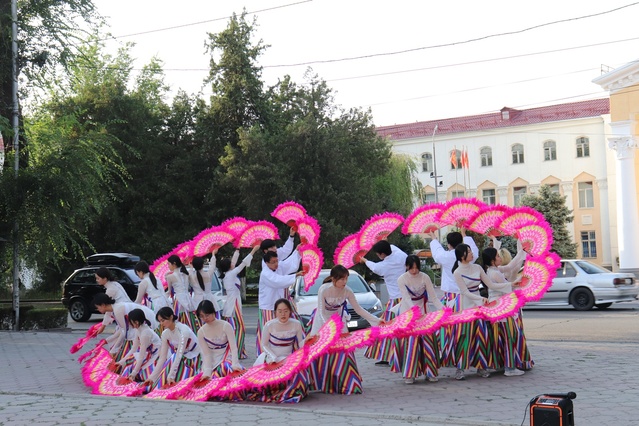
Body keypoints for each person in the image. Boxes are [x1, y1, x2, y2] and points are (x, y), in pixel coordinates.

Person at [307, 265, 383, 394]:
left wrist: (376, 320)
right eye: (341, 279)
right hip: (323, 321)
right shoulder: (323, 289)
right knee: (320, 351)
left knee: (343, 349)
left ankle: (345, 380)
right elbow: (320, 311)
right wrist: (329, 329)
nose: (344, 282)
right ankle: (320, 381)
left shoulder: (347, 290)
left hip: (339, 320)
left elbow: (359, 309)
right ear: (333, 278)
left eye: (346, 278)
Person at [448, 243, 511, 380]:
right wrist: (480, 298)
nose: (471, 253)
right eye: (469, 251)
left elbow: (491, 285)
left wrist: (511, 284)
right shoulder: (457, 272)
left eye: (471, 251)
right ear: (462, 256)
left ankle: (481, 366)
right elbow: (464, 292)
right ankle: (460, 368)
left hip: (480, 305)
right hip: (466, 306)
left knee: (482, 336)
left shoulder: (477, 268)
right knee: (464, 337)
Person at [427, 229, 479, 371]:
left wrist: (433, 237)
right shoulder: (470, 256)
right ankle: (472, 358)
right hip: (469, 297)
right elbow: (474, 249)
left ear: (449, 244)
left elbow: (437, 253)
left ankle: (449, 355)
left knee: (450, 329)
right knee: (469, 330)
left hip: (451, 297)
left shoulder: (446, 256)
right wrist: (464, 233)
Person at [482, 242, 534, 376]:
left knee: (500, 336)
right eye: (498, 256)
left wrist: (522, 252)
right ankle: (510, 368)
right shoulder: (495, 274)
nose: (500, 258)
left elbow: (511, 266)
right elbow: (508, 288)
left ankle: (501, 364)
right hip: (502, 309)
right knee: (509, 336)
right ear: (493, 260)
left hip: (497, 308)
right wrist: (521, 280)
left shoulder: (492, 270)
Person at [391, 255, 444, 384]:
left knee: (428, 342)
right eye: (411, 268)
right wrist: (415, 312)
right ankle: (410, 373)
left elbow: (434, 297)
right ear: (407, 267)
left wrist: (444, 310)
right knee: (411, 343)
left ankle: (430, 371)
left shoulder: (425, 277)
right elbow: (406, 298)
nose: (414, 271)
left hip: (424, 311)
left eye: (416, 268)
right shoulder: (401, 279)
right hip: (408, 312)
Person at [359, 240, 407, 365]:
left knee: (387, 327)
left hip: (395, 299)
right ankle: (404, 352)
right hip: (407, 298)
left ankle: (389, 354)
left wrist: (363, 260)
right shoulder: (400, 255)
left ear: (381, 254)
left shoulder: (383, 266)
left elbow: (373, 267)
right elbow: (392, 246)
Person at [250, 298, 308, 403]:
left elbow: (300, 344)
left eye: (286, 311)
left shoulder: (296, 324)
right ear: (275, 312)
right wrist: (272, 357)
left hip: (288, 356)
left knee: (299, 371)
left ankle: (290, 392)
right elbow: (264, 345)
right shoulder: (269, 325)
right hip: (271, 356)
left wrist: (309, 340)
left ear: (290, 311)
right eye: (280, 311)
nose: (283, 314)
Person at [256, 251, 305, 356]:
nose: (276, 264)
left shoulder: (279, 267)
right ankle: (266, 355)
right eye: (273, 262)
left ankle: (296, 353)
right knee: (270, 332)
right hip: (269, 307)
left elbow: (289, 264)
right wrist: (295, 275)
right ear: (266, 263)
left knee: (290, 328)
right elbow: (278, 281)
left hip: (281, 305)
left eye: (277, 261)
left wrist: (297, 252)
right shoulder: (265, 273)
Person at [216, 245, 260, 359]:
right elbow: (243, 263)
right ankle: (237, 351)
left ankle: (235, 351)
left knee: (234, 330)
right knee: (239, 329)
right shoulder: (231, 274)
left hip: (231, 304)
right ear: (229, 266)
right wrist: (254, 250)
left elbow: (235, 262)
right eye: (230, 262)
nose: (232, 262)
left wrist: (237, 249)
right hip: (233, 306)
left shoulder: (228, 274)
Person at [144, 306, 201, 389]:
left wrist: (171, 375)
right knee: (170, 359)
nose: (161, 324)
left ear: (171, 317)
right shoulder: (165, 333)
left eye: (163, 320)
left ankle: (172, 381)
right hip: (182, 358)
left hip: (195, 357)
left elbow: (179, 354)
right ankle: (154, 383)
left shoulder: (183, 330)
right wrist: (152, 377)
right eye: (160, 321)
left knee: (173, 358)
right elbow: (162, 357)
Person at [92, 293, 157, 360]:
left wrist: (113, 350)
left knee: (132, 348)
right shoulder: (114, 308)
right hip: (143, 321)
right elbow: (122, 330)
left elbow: (124, 332)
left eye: (98, 307)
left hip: (148, 321)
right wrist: (108, 341)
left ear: (103, 305)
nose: (98, 310)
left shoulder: (117, 310)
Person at [196, 300, 242, 380]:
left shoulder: (226, 326)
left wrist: (235, 364)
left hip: (226, 356)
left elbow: (233, 348)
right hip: (211, 360)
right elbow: (206, 354)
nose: (205, 318)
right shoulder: (201, 332)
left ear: (213, 312)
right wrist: (207, 371)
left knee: (225, 369)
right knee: (206, 379)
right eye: (202, 316)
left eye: (207, 315)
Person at [116, 308, 162, 382]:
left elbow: (142, 355)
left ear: (136, 322)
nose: (130, 324)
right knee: (130, 361)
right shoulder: (139, 330)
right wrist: (121, 362)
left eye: (131, 322)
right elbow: (134, 349)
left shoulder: (145, 333)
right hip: (148, 354)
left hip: (156, 355)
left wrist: (133, 373)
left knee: (141, 371)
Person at [165, 255, 198, 332]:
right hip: (188, 299)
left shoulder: (170, 277)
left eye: (169, 264)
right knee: (190, 318)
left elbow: (169, 292)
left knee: (179, 320)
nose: (168, 266)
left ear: (174, 264)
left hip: (179, 301)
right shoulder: (185, 274)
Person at [95, 267, 131, 335]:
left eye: (98, 278)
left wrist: (103, 326)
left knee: (124, 332)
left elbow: (107, 308)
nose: (97, 280)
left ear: (105, 278)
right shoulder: (115, 284)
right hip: (126, 309)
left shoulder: (110, 289)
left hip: (123, 312)